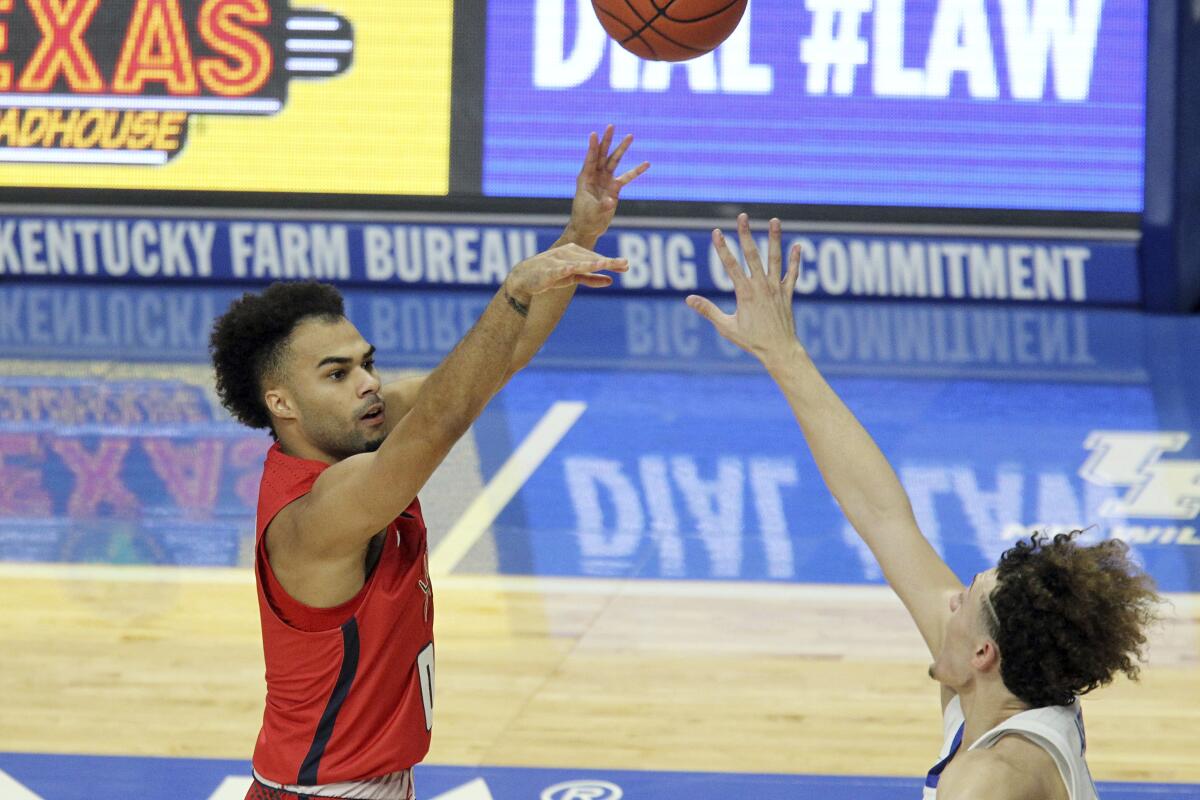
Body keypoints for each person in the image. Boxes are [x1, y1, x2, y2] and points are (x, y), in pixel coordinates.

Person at [208, 127, 648, 800]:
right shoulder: (319, 513)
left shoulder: (360, 432)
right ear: (282, 402)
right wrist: (512, 291)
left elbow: (497, 363)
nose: (366, 384)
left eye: (367, 363)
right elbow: (445, 418)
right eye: (337, 373)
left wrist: (580, 231)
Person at [685, 214, 1161, 800]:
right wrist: (782, 353)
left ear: (985, 652)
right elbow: (882, 514)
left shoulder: (993, 777)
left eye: (966, 599)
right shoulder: (1000, 690)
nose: (949, 601)